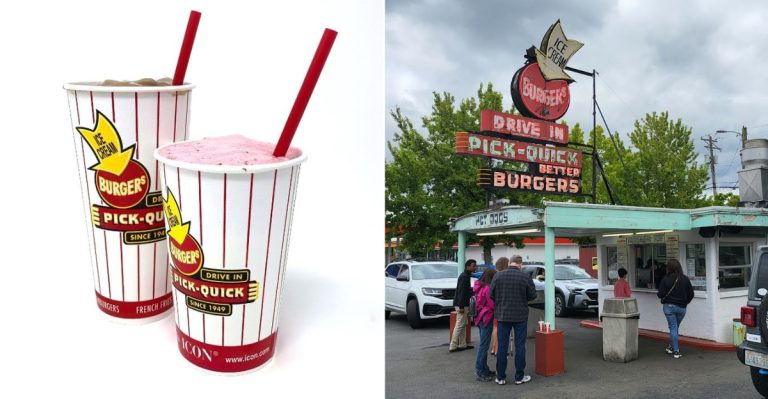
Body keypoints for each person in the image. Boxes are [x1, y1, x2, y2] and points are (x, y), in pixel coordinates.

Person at [489, 255, 536, 385]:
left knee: (502, 347)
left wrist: (501, 302)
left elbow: (491, 294)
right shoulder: (525, 277)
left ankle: (500, 377)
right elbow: (533, 295)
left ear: (510, 263)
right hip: (520, 316)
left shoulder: (498, 276)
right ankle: (519, 377)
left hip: (503, 316)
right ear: (520, 264)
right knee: (520, 346)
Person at [656, 259, 694, 359]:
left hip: (669, 307)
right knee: (675, 328)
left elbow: (660, 294)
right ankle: (671, 347)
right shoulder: (685, 279)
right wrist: (685, 302)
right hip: (682, 308)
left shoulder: (665, 279)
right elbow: (691, 294)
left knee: (673, 328)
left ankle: (676, 351)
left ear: (668, 268)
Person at [473, 268, 496, 381]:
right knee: (484, 346)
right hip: (486, 318)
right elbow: (492, 305)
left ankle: (484, 369)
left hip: (479, 317)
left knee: (483, 345)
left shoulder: (479, 286)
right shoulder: (488, 288)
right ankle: (479, 371)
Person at [449, 259, 476, 353]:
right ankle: (453, 345)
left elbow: (464, 291)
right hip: (462, 304)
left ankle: (462, 344)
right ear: (467, 266)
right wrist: (461, 306)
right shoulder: (464, 277)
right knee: (460, 325)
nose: (474, 267)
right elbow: (461, 291)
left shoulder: (465, 275)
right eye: (473, 266)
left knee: (463, 324)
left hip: (462, 304)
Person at [490, 257, 509, 356]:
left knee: (495, 327)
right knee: (499, 329)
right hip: (503, 307)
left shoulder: (496, 276)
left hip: (496, 306)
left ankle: (493, 348)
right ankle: (498, 349)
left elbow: (492, 293)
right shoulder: (503, 276)